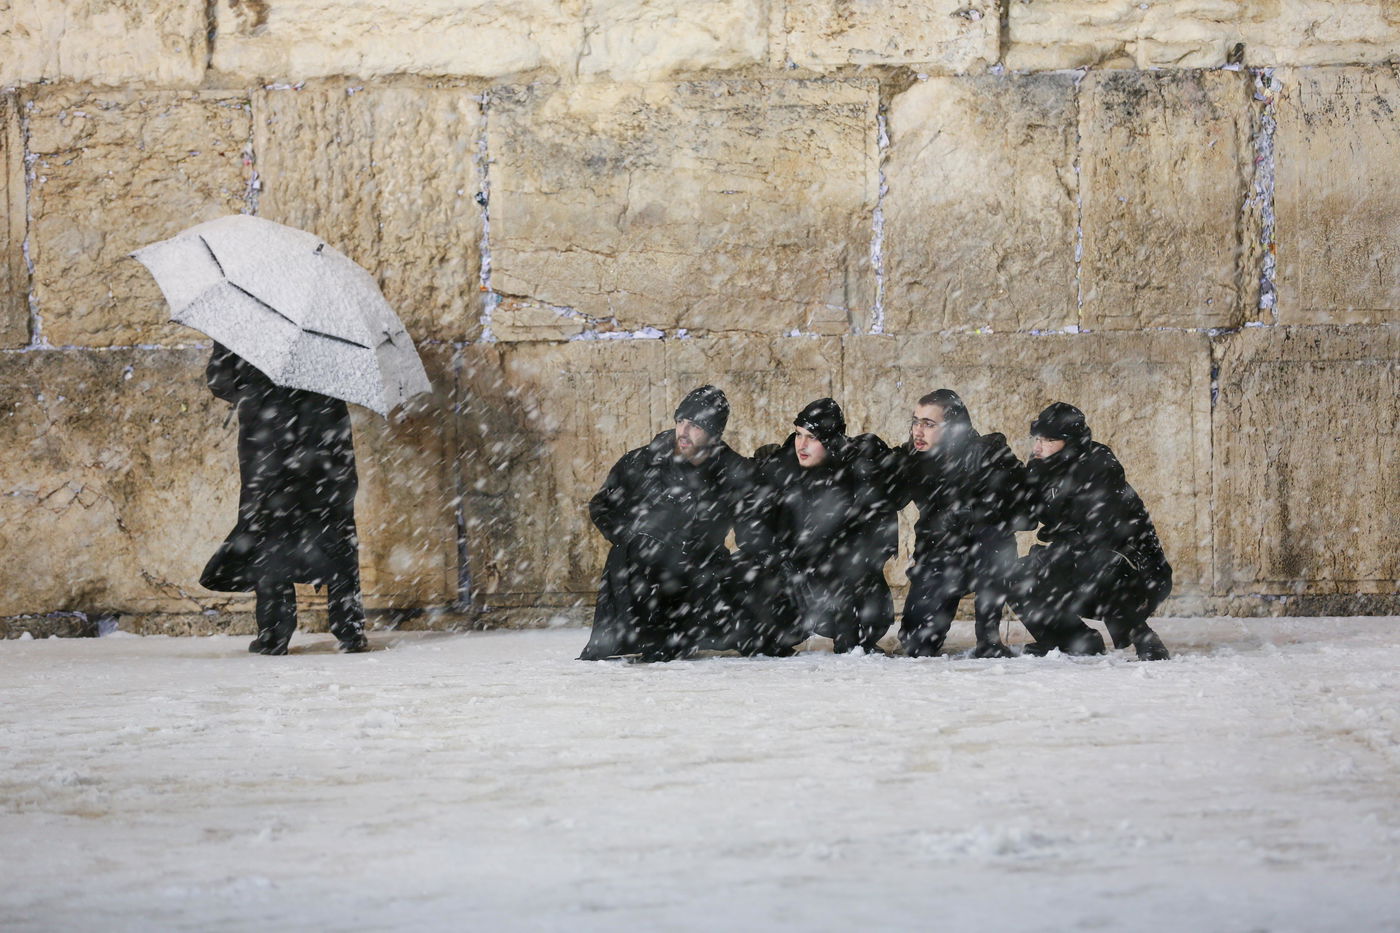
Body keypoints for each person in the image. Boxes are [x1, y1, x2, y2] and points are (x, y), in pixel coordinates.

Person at [200, 343, 369, 655]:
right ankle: (349, 628)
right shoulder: (328, 315)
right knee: (335, 522)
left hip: (268, 432)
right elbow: (355, 374)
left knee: (271, 527)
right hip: (325, 428)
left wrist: (255, 387)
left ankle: (274, 632)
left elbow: (220, 379)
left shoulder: (246, 317)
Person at [579, 385, 754, 662]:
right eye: (681, 420)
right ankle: (648, 635)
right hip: (645, 571)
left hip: (701, 572)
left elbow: (752, 532)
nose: (683, 431)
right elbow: (602, 506)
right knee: (636, 564)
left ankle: (689, 633)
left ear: (714, 433)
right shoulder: (642, 462)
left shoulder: (733, 471)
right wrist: (635, 536)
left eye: (695, 425)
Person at [737, 398, 898, 655]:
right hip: (791, 576)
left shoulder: (854, 471)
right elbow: (750, 523)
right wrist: (780, 562)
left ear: (831, 441)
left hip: (839, 581)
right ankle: (767, 636)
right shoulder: (781, 467)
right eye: (799, 435)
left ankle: (854, 637)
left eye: (811, 437)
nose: (801, 444)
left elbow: (877, 533)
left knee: (854, 567)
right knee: (743, 572)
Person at [1013, 402, 1172, 660]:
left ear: (1071, 441)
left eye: (1048, 440)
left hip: (1136, 570)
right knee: (1015, 575)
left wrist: (1055, 553)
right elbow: (1025, 517)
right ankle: (1074, 640)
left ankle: (1142, 635)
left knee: (1095, 563)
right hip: (1078, 559)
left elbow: (1101, 533)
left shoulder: (1099, 467)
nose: (1037, 447)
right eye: (1037, 439)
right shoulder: (1042, 466)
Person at [888, 389, 1027, 658]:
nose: (918, 431)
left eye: (928, 424)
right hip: (939, 559)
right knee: (917, 644)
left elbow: (1024, 511)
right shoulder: (914, 459)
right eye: (915, 421)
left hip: (985, 557)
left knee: (993, 537)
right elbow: (886, 497)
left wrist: (979, 504)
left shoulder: (989, 452)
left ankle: (988, 639)